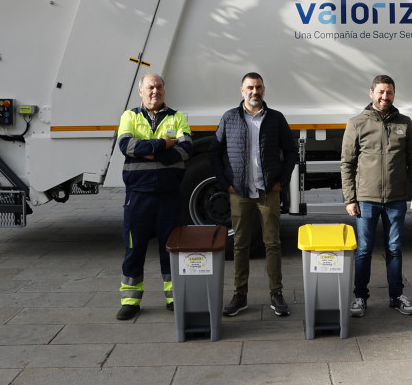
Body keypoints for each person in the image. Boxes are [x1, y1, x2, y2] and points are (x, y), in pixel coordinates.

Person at [210, 72, 299, 317]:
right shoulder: (229, 118)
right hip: (239, 191)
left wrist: (282, 180)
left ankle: (276, 293)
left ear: (263, 89)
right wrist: (224, 182)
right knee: (240, 244)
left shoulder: (275, 118)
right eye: (250, 87)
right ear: (242, 91)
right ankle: (240, 295)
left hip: (267, 190)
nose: (254, 92)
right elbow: (214, 152)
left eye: (258, 87)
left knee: (273, 243)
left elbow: (291, 152)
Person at [342, 75, 412, 317]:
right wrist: (350, 198)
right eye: (380, 92)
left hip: (396, 199)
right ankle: (359, 297)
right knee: (364, 249)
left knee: (395, 248)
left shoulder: (405, 124)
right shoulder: (357, 123)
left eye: (389, 93)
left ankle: (396, 296)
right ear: (371, 93)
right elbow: (347, 163)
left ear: (394, 94)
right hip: (366, 199)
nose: (384, 97)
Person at [116, 73, 194, 320]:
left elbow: (186, 149)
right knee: (134, 248)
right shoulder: (129, 116)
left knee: (170, 249)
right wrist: (164, 145)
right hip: (138, 196)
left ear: (164, 90)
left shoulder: (178, 117)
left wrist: (149, 150)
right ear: (140, 91)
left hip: (168, 196)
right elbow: (127, 147)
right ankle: (130, 301)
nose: (155, 91)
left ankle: (174, 298)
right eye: (150, 87)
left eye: (159, 87)